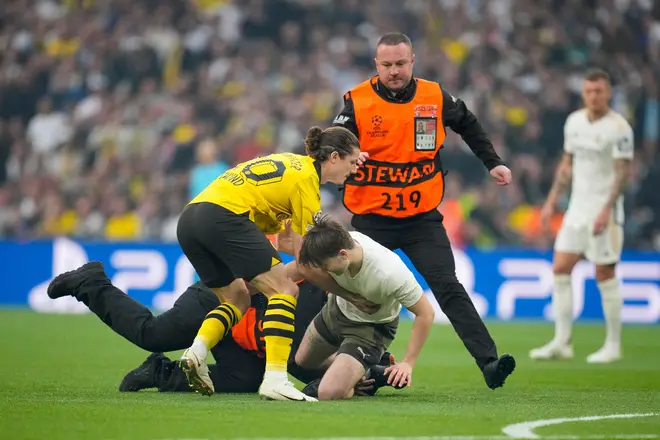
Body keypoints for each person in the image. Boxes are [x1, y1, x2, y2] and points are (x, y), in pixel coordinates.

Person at [329, 32, 515, 388]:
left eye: (401, 63)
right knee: (341, 290)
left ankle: (490, 363)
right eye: (387, 65)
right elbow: (333, 141)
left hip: (420, 220)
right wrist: (352, 153)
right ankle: (327, 364)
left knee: (447, 286)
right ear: (376, 65)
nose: (394, 71)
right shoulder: (357, 101)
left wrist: (493, 163)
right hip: (371, 221)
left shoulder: (434, 96)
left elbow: (469, 124)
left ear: (413, 61)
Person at [176, 126, 366, 401]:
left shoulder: (290, 163)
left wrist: (285, 248)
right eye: (351, 162)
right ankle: (275, 378)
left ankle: (196, 352)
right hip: (225, 216)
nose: (353, 170)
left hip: (192, 218)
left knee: (238, 299)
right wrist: (350, 294)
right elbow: (308, 264)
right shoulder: (306, 182)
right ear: (334, 157)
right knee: (285, 290)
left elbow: (276, 234)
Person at [45, 261, 331, 393]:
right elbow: (299, 361)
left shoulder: (330, 304)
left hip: (241, 331)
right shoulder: (317, 291)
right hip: (220, 298)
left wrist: (367, 372)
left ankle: (159, 373)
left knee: (244, 378)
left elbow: (301, 360)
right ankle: (91, 283)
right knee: (152, 334)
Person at [529, 68, 634, 364]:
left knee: (605, 272)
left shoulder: (619, 128)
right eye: (589, 91)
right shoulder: (574, 122)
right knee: (561, 268)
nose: (593, 96)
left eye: (599, 91)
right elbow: (566, 165)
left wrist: (607, 209)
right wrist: (550, 202)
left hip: (606, 210)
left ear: (609, 92)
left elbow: (622, 175)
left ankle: (613, 344)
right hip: (577, 208)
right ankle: (562, 342)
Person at [293, 214, 435, 400]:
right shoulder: (334, 246)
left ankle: (348, 377)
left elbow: (426, 313)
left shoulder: (389, 272)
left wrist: (408, 363)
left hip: (370, 329)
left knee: (328, 393)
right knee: (302, 361)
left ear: (343, 255)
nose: (326, 272)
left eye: (327, 267)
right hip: (336, 310)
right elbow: (305, 268)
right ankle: (367, 374)